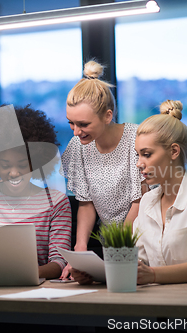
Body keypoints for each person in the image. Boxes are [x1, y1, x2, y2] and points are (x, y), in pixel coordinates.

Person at [71, 100, 187, 285]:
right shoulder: (148, 201)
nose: (139, 163)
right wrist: (95, 274)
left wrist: (152, 275)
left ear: (174, 151)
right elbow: (138, 261)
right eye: (138, 155)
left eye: (146, 154)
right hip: (155, 301)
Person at [0, 105, 72, 279]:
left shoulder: (56, 202)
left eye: (22, 165)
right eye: (5, 165)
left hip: (36, 292)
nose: (13, 173)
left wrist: (25, 274)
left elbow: (59, 262)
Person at [61, 60, 144, 279]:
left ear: (108, 116)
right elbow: (86, 203)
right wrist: (80, 250)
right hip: (109, 248)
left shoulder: (136, 140)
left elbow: (140, 202)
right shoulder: (78, 147)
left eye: (83, 124)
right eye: (71, 123)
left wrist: (117, 249)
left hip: (140, 242)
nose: (76, 132)